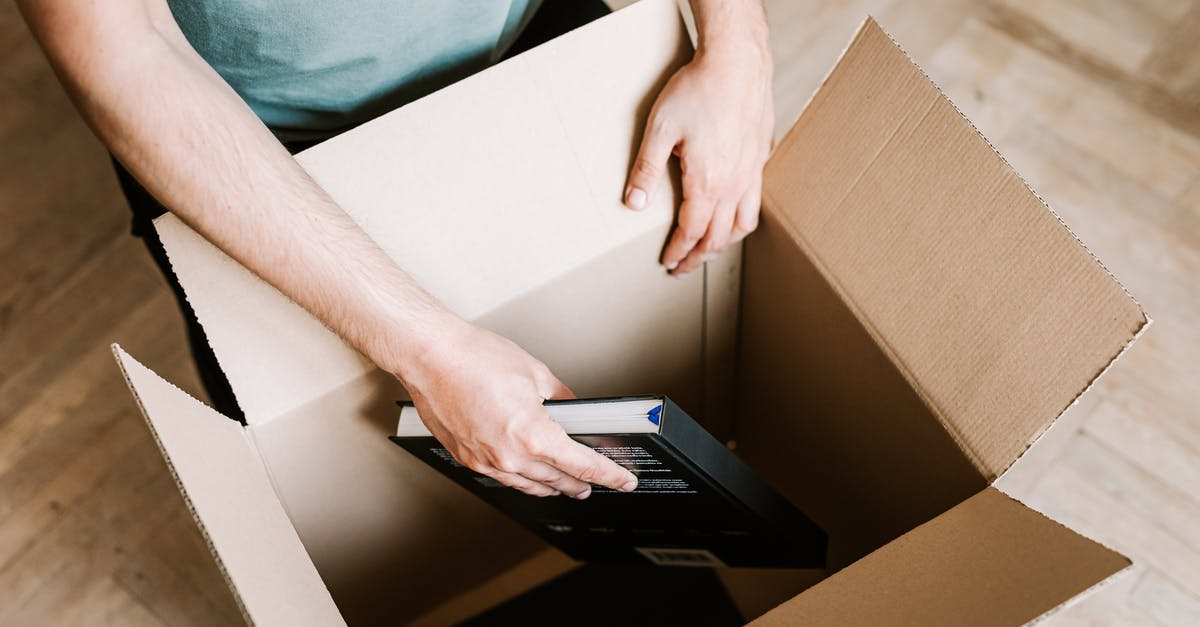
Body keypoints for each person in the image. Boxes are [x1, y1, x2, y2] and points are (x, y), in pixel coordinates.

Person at [17, 0, 773, 501]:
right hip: (255, 145)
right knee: (315, 469)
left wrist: (738, 43)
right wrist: (428, 348)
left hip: (532, 32)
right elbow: (125, 50)